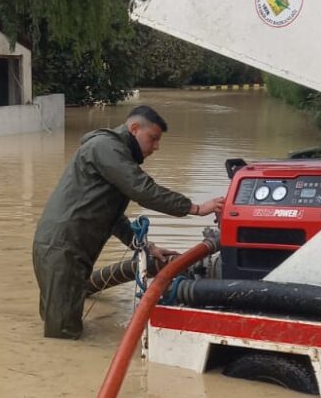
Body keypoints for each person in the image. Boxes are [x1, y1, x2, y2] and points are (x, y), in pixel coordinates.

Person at [33, 104, 226, 339]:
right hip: (62, 248)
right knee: (63, 335)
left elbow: (113, 218)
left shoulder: (116, 156)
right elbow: (143, 190)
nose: (156, 147)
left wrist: (146, 247)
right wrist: (195, 208)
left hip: (66, 249)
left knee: (59, 322)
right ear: (134, 128)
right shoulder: (105, 147)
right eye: (152, 138)